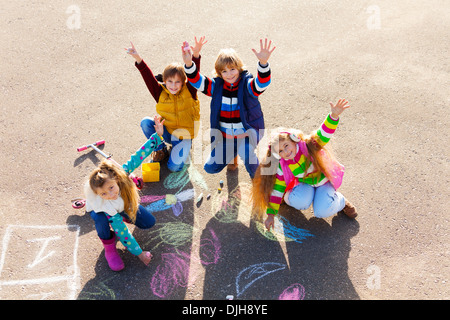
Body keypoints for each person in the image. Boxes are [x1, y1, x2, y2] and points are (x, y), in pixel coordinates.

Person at [252, 99, 357, 231]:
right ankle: (293, 197)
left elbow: (323, 134)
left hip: (324, 183)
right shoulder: (282, 165)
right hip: (306, 184)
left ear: (294, 140)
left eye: (286, 146)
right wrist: (271, 214)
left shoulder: (309, 145)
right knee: (297, 201)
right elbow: (278, 187)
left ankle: (341, 202)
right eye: (280, 151)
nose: (285, 151)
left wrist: (333, 116)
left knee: (321, 212)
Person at [183, 38, 275, 178]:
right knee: (210, 167)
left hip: (247, 133)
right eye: (224, 71)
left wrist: (263, 63)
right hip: (227, 137)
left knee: (246, 151)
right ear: (219, 73)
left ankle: (260, 182)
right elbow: (197, 81)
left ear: (239, 68)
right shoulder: (217, 87)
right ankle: (233, 154)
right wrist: (189, 63)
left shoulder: (246, 86)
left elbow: (262, 83)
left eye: (232, 69)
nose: (229, 74)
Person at [84, 117, 165, 271]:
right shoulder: (104, 203)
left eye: (111, 188)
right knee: (99, 217)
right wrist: (139, 253)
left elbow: (138, 156)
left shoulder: (121, 174)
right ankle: (109, 246)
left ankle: (122, 213)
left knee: (149, 222)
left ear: (116, 179)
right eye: (103, 193)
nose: (110, 194)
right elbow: (123, 232)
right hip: (104, 211)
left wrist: (157, 136)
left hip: (123, 206)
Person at [125, 37, 207, 172]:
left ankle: (182, 148)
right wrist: (138, 59)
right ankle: (161, 149)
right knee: (146, 122)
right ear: (164, 81)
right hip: (166, 131)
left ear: (183, 82)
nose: (173, 86)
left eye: (177, 82)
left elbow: (194, 73)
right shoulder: (159, 92)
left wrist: (195, 56)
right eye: (170, 81)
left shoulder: (190, 90)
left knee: (174, 167)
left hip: (183, 135)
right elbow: (148, 77)